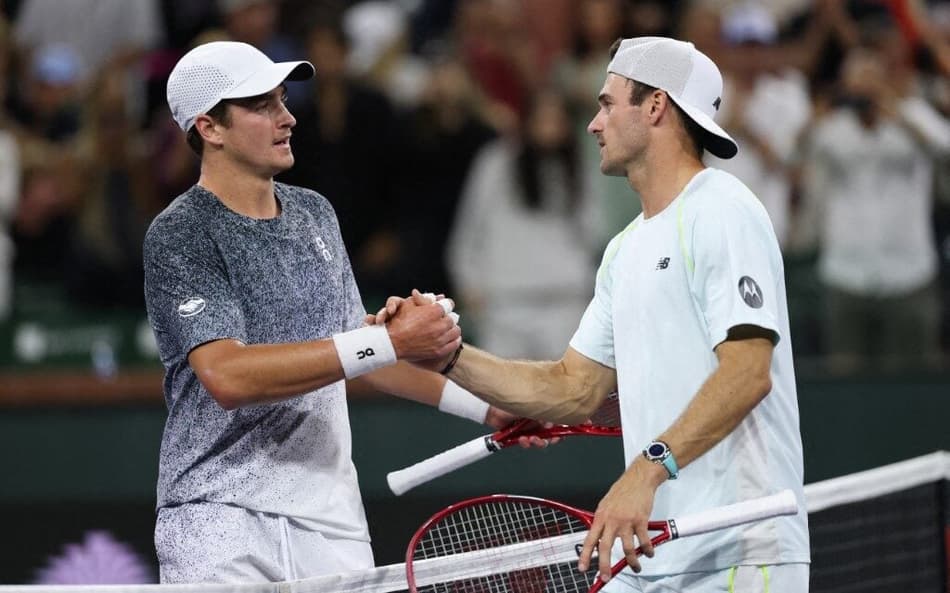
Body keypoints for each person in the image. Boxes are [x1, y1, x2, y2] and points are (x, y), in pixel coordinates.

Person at [377, 36, 810, 592]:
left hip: (738, 548)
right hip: (652, 551)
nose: (593, 124)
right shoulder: (623, 250)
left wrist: (646, 471)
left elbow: (749, 372)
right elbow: (571, 388)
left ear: (655, 106)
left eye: (608, 103)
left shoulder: (723, 209)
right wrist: (446, 353)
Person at [144, 40, 522, 584]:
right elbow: (227, 375)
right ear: (210, 128)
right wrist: (387, 342)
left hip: (331, 522)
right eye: (263, 105)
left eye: (283, 100)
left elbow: (360, 354)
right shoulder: (181, 233)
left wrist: (489, 407)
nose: (288, 117)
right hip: (217, 517)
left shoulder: (315, 215)